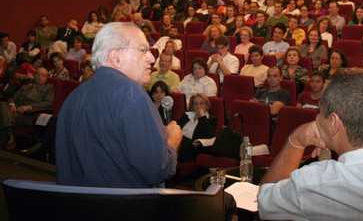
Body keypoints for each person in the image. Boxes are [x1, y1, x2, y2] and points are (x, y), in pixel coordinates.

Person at [258, 68, 363, 221]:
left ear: (334, 123)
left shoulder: (314, 182)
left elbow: (265, 201)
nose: (317, 118)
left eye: (320, 112)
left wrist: (296, 140)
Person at [56, 22, 183, 188]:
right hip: (124, 210)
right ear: (115, 57)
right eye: (143, 50)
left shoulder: (73, 97)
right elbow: (157, 170)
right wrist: (172, 142)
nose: (152, 58)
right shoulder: (132, 94)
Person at [0, 67, 54, 150]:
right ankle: (8, 133)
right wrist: (12, 104)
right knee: (3, 104)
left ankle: (8, 136)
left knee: (2, 117)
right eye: (38, 74)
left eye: (43, 75)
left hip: (28, 114)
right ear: (34, 75)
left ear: (46, 78)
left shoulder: (49, 88)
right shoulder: (26, 86)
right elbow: (12, 98)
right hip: (13, 111)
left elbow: (48, 103)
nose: (39, 77)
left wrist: (29, 107)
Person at [177, 93, 216, 162]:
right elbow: (176, 129)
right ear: (192, 106)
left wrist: (202, 116)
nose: (198, 106)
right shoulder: (186, 115)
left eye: (201, 104)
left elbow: (209, 135)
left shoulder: (210, 119)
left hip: (193, 149)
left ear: (206, 106)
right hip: (178, 144)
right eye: (195, 104)